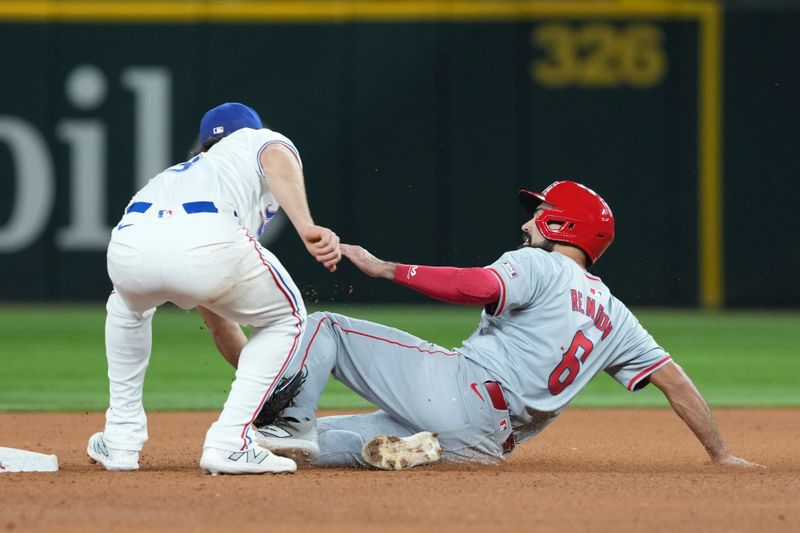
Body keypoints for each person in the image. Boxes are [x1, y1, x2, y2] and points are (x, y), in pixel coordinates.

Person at [208, 180, 761, 470]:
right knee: (315, 443)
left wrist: (385, 267)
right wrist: (720, 454)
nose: (528, 221)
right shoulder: (616, 316)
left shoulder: (542, 264)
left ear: (560, 225)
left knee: (323, 326)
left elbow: (476, 285)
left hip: (461, 391)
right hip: (486, 443)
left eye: (539, 213)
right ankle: (377, 450)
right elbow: (675, 382)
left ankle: (288, 428)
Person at [87, 102, 341, 475]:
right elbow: (274, 152)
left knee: (126, 308)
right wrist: (306, 226)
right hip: (208, 238)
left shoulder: (181, 174)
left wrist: (264, 387)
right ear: (249, 131)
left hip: (129, 248)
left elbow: (220, 320)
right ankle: (229, 443)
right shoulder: (257, 141)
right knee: (287, 317)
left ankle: (120, 440)